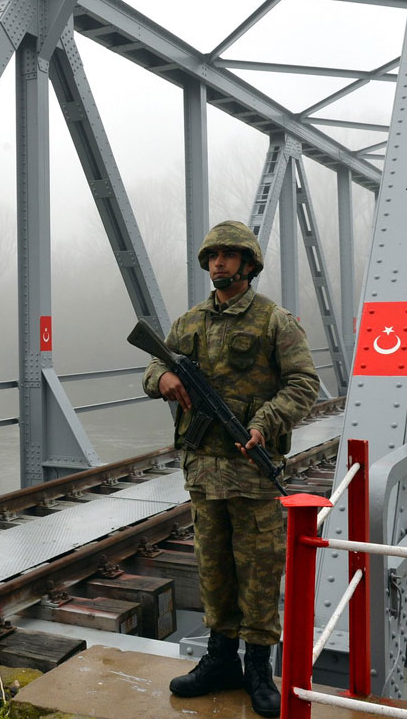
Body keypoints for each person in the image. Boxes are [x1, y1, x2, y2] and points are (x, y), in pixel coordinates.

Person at [142, 221, 319, 717]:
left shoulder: (274, 322)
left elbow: (305, 383)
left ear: (248, 263)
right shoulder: (189, 323)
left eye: (229, 254)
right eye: (213, 255)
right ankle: (220, 661)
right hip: (203, 473)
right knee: (213, 569)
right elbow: (152, 368)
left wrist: (264, 422)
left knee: (260, 572)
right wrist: (164, 378)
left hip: (252, 475)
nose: (219, 262)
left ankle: (258, 669)